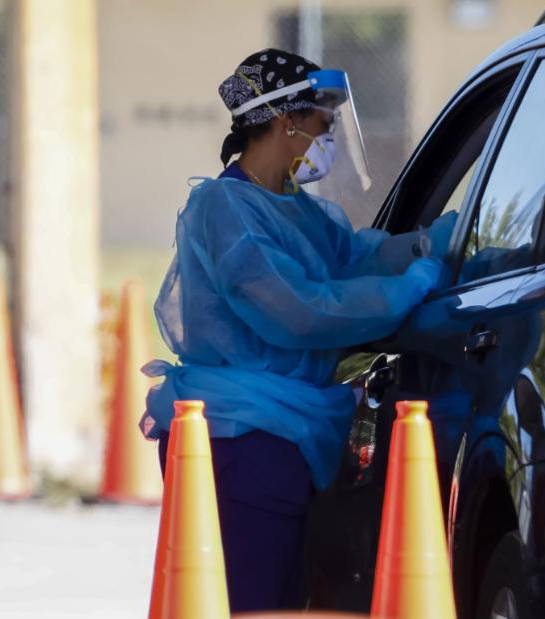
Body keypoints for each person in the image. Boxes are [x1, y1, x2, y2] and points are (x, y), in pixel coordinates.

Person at [139, 49, 457, 612]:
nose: (328, 139)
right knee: (251, 602)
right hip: (240, 434)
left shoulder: (295, 209)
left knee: (282, 600)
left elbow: (352, 261)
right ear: (287, 122)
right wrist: (410, 287)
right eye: (323, 124)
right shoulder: (224, 209)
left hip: (280, 429)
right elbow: (298, 310)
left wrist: (427, 246)